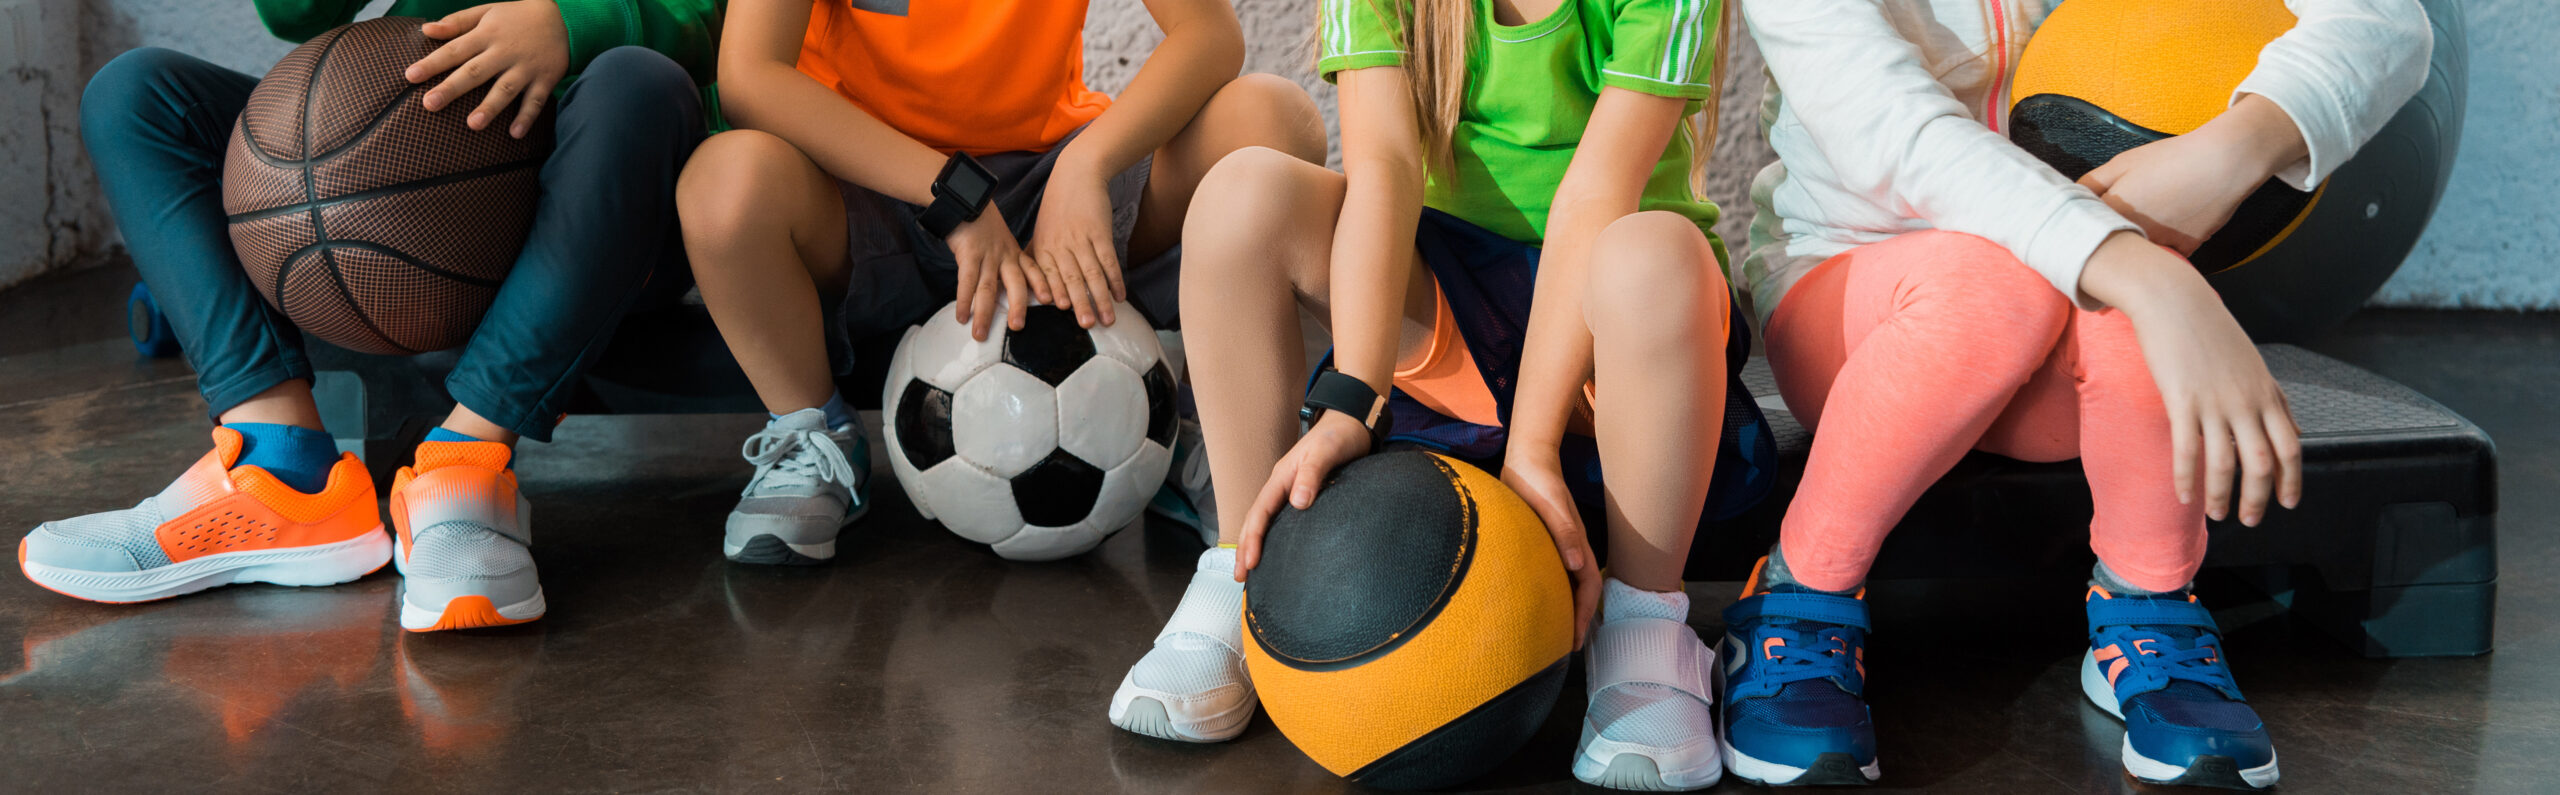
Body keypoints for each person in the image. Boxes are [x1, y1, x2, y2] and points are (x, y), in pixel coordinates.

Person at [1722, 0, 2432, 787]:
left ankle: (2147, 604)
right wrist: (2151, 275)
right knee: (2016, 289)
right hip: (1854, 297)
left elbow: (2388, 22)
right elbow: (1897, 134)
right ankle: (1798, 591)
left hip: (2067, 308)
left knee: (2124, 311)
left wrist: (2234, 149)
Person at [1126, 0, 1768, 789]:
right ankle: (1238, 572)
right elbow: (1386, 168)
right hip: (1449, 300)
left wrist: (1532, 444)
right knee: (1240, 195)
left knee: (1651, 258)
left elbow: (1597, 192)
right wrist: (1353, 396)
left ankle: (1644, 627)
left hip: (1614, 324)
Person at [19, 0, 718, 632]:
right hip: (418, 162)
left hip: (614, 188)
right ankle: (281, 468)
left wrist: (570, 26)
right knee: (136, 95)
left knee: (639, 80)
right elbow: (295, 14)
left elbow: (714, 18)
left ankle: (465, 469)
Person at [675, 0, 1324, 565]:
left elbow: (1211, 36)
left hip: (1048, 179)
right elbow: (750, 76)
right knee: (722, 186)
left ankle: (1200, 418)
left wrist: (1085, 167)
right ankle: (812, 431)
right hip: (869, 182)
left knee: (1274, 121)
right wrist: (953, 197)